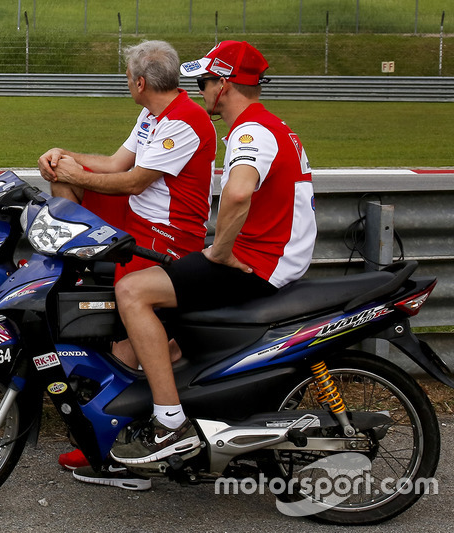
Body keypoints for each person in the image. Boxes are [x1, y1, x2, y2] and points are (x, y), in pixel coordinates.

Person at [109, 41, 316, 466]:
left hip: (259, 261)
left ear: (224, 84)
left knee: (133, 291)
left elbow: (238, 194)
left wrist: (219, 252)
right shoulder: (271, 125)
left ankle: (170, 425)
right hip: (269, 255)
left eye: (204, 80)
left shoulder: (250, 130)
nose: (200, 88)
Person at [38, 40, 217, 489]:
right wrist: (65, 158)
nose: (126, 83)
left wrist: (72, 173)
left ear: (139, 82)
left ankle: (136, 441)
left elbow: (131, 180)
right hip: (141, 219)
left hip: (169, 238)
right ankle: (82, 288)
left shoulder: (185, 121)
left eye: (126, 77)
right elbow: (116, 164)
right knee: (67, 190)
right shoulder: (154, 113)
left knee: (122, 347)